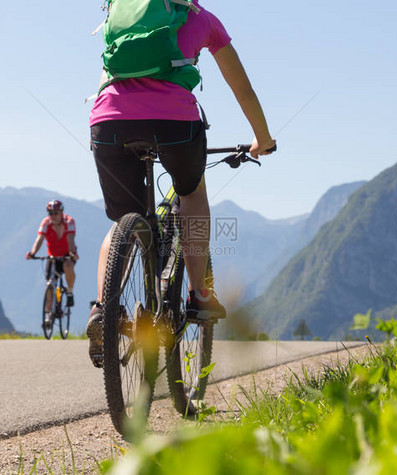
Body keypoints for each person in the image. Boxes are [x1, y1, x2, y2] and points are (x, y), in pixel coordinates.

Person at [86, 0, 276, 365]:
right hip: (174, 123)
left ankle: (102, 310)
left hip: (107, 120)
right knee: (192, 191)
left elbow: (108, 76)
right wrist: (262, 140)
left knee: (122, 219)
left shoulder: (122, 13)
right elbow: (243, 89)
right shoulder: (201, 18)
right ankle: (198, 294)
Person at [26, 200, 78, 325]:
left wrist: (71, 254)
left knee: (68, 266)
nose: (53, 216)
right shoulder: (46, 223)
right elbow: (39, 239)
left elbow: (70, 239)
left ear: (61, 213)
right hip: (53, 257)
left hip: (67, 255)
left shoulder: (69, 222)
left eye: (55, 213)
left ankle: (70, 292)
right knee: (50, 285)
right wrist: (32, 253)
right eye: (50, 213)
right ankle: (48, 314)